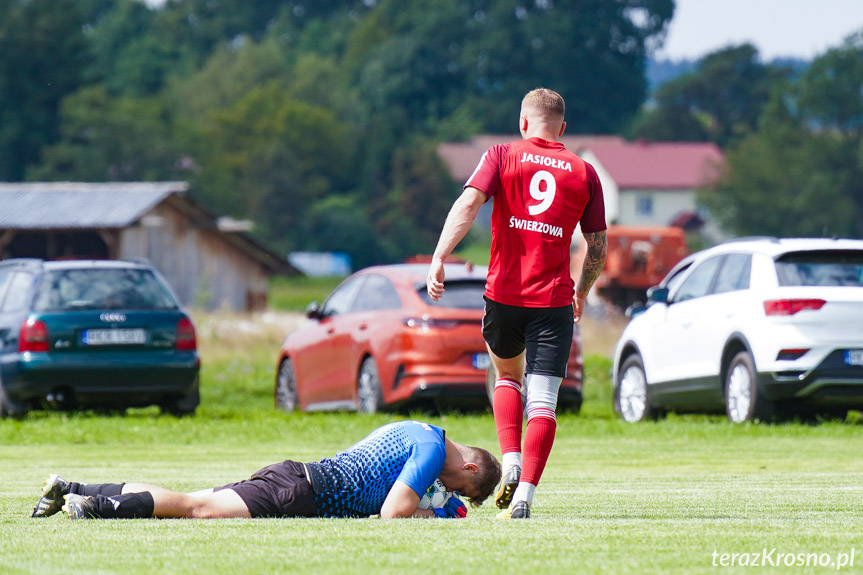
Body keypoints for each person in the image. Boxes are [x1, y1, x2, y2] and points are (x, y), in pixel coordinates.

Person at [427, 88, 607, 519]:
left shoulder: (501, 155)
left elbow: (469, 204)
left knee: (507, 376)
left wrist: (440, 256)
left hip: (504, 295)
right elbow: (597, 245)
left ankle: (509, 460)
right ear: (563, 128)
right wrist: (581, 291)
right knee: (543, 402)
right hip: (553, 301)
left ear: (523, 122)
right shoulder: (584, 172)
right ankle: (524, 495)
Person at [30, 420, 500, 520]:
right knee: (197, 509)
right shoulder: (433, 452)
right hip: (302, 491)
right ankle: (93, 506)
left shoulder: (423, 429)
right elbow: (394, 513)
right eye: (462, 488)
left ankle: (70, 487)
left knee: (190, 497)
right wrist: (440, 515)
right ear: (470, 467)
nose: (447, 487)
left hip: (298, 478)